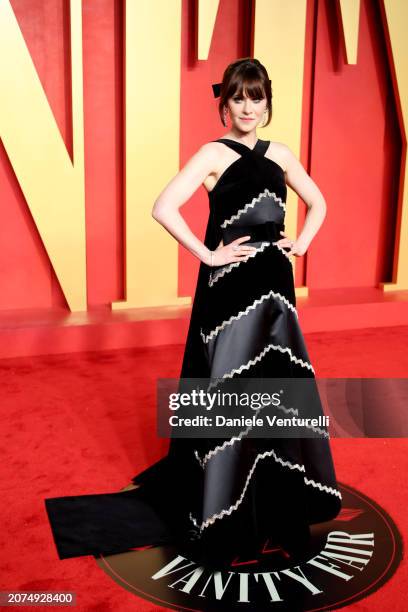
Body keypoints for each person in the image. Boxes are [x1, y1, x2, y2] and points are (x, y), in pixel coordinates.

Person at [45, 57, 342, 568]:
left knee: (275, 385)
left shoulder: (282, 154)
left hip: (275, 287)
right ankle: (226, 503)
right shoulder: (212, 153)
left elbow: (318, 203)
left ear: (268, 103)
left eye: (256, 97)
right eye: (238, 98)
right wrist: (207, 255)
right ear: (223, 104)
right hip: (229, 293)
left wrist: (301, 245)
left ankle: (271, 493)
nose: (247, 107)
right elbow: (163, 206)